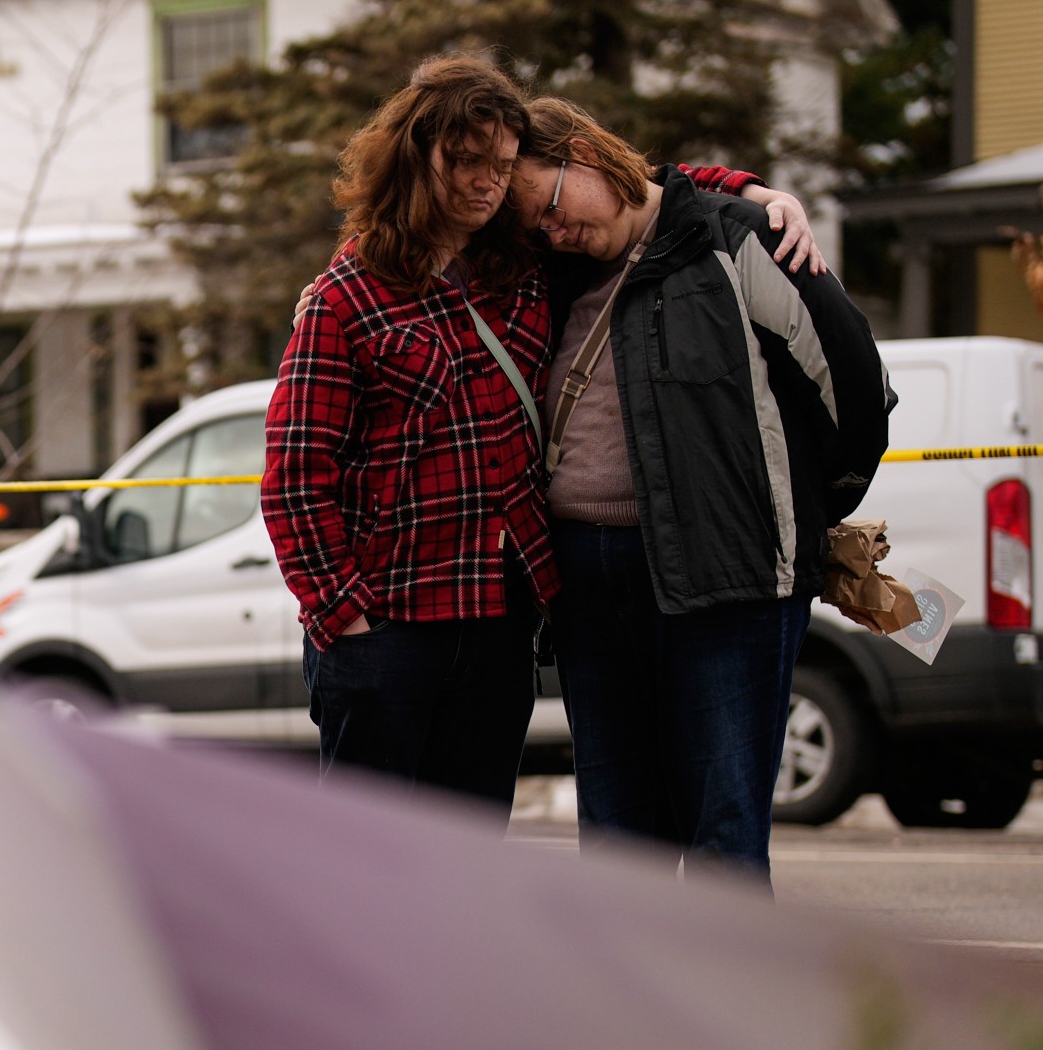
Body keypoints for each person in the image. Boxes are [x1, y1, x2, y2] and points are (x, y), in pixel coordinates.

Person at [264, 59, 809, 815]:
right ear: (419, 155)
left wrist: (749, 190)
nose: (489, 182)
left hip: (497, 627)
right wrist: (345, 619)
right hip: (388, 631)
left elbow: (634, 189)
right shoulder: (344, 298)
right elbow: (294, 478)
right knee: (370, 881)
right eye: (468, 161)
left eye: (503, 164)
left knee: (472, 876)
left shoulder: (524, 265)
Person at [509, 99, 888, 879]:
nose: (553, 232)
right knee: (619, 847)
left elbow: (856, 393)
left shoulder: (737, 239)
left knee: (724, 839)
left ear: (583, 153)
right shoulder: (545, 279)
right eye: (536, 229)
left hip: (728, 581)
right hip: (588, 583)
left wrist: (794, 515)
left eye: (551, 207)